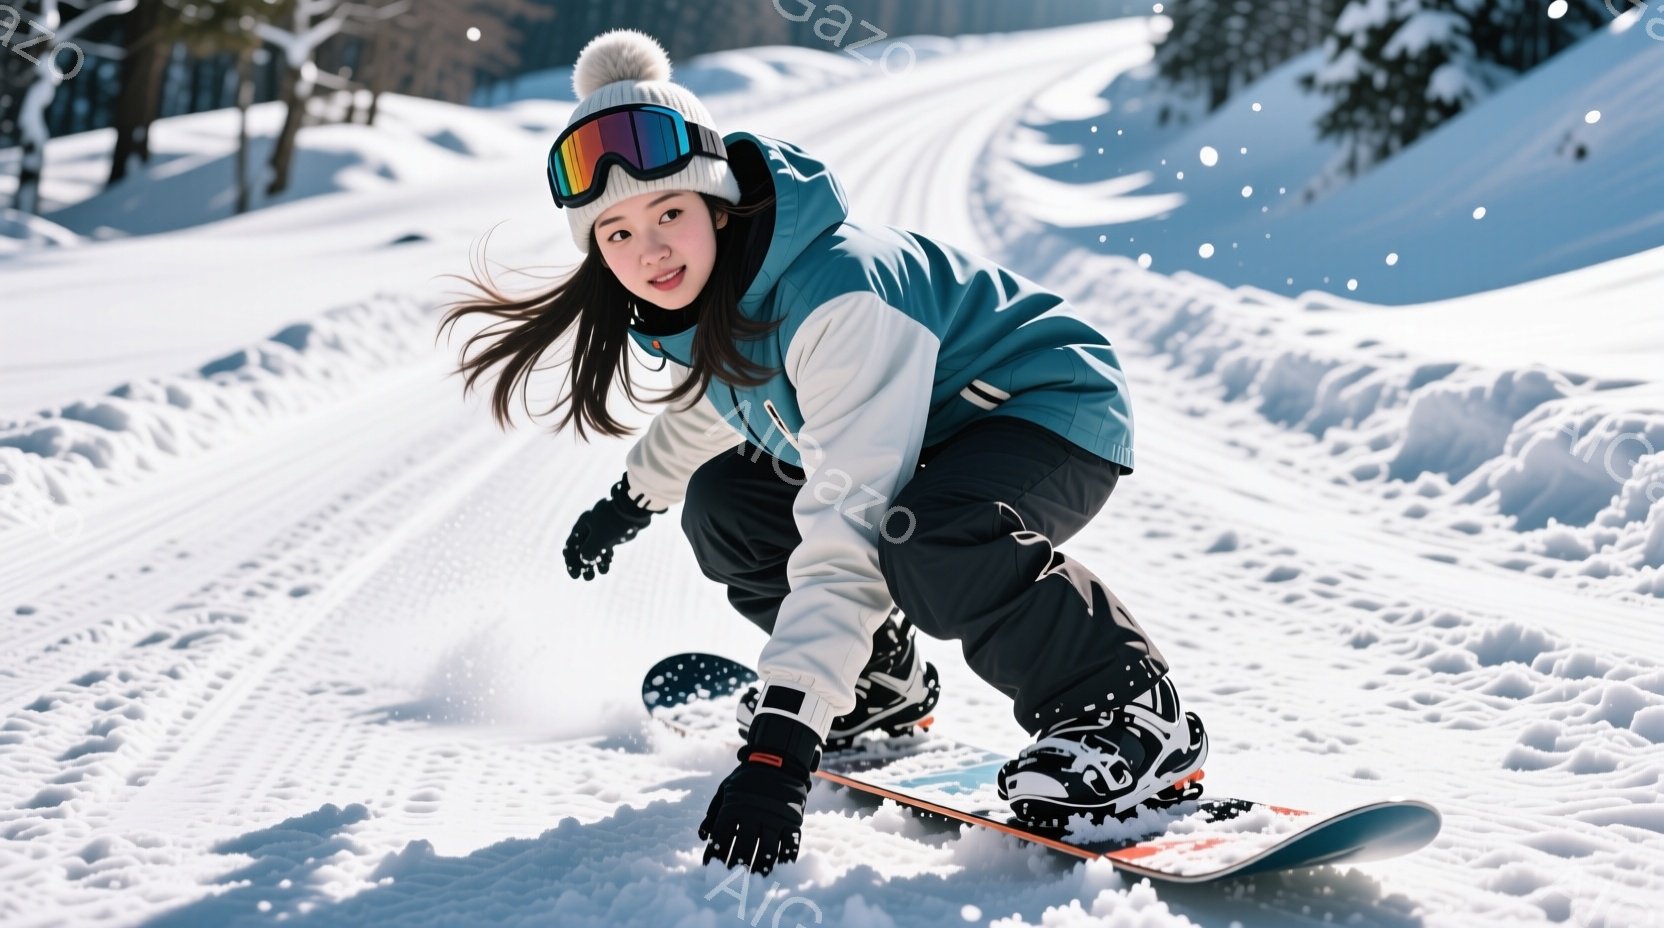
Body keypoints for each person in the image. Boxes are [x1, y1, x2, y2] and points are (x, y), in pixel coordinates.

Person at [439, 28, 1207, 876]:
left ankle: (1127, 712)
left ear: (717, 207)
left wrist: (781, 745)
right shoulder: (714, 298)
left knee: (926, 533)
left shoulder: (836, 295)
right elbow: (716, 408)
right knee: (727, 504)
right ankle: (878, 688)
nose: (649, 249)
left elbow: (852, 524)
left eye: (668, 213)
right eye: (616, 233)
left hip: (1045, 403)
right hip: (939, 433)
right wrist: (634, 500)